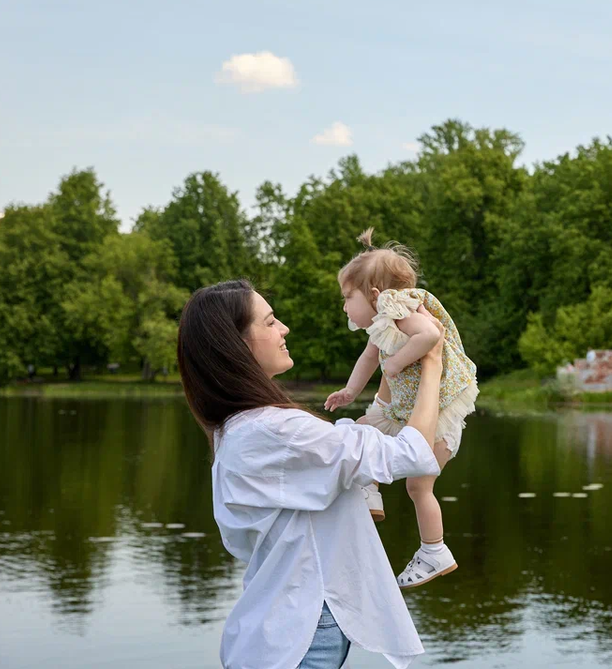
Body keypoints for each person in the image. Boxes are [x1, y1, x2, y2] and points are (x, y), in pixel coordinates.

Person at [176, 279, 446, 669]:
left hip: (281, 629)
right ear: (236, 345)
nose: (284, 329)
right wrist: (432, 361)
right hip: (300, 635)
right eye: (270, 322)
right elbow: (412, 454)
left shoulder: (241, 428)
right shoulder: (276, 431)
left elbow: (348, 446)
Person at [324, 228, 479, 589]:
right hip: (406, 411)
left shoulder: (402, 308)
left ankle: (435, 551)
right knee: (362, 427)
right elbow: (369, 357)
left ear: (375, 295)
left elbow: (431, 335)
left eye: (348, 297)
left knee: (418, 486)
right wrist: (350, 391)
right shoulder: (383, 322)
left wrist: (396, 363)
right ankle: (369, 489)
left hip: (440, 418)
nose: (344, 306)